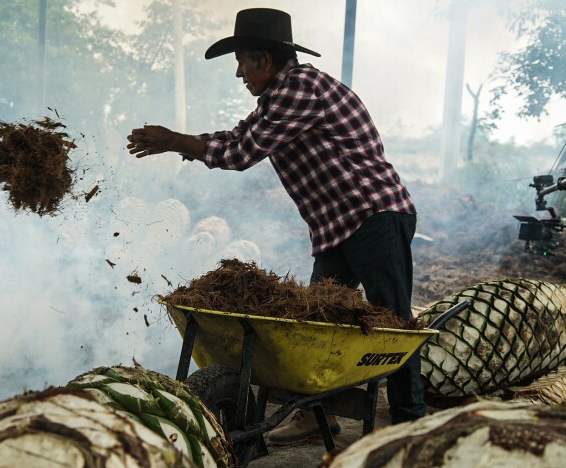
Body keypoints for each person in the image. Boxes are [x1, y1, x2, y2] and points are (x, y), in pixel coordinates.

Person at [127, 8, 422, 445]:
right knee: (319, 323)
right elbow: (232, 138)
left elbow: (243, 153)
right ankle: (313, 415)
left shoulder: (301, 88)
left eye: (243, 61)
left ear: (266, 60)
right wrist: (182, 146)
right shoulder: (275, 100)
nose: (238, 72)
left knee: (392, 322)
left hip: (373, 215)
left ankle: (411, 422)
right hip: (335, 228)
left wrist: (175, 141)